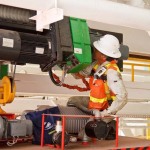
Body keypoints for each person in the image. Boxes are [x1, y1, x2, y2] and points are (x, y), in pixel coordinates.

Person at [67, 34, 128, 133]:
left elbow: (123, 97)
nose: (94, 50)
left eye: (97, 49)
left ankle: (107, 127)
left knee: (85, 132)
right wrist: (69, 67)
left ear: (103, 56)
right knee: (72, 101)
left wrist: (107, 113)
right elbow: (79, 75)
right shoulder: (96, 64)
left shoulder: (112, 72)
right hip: (94, 104)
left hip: (105, 108)